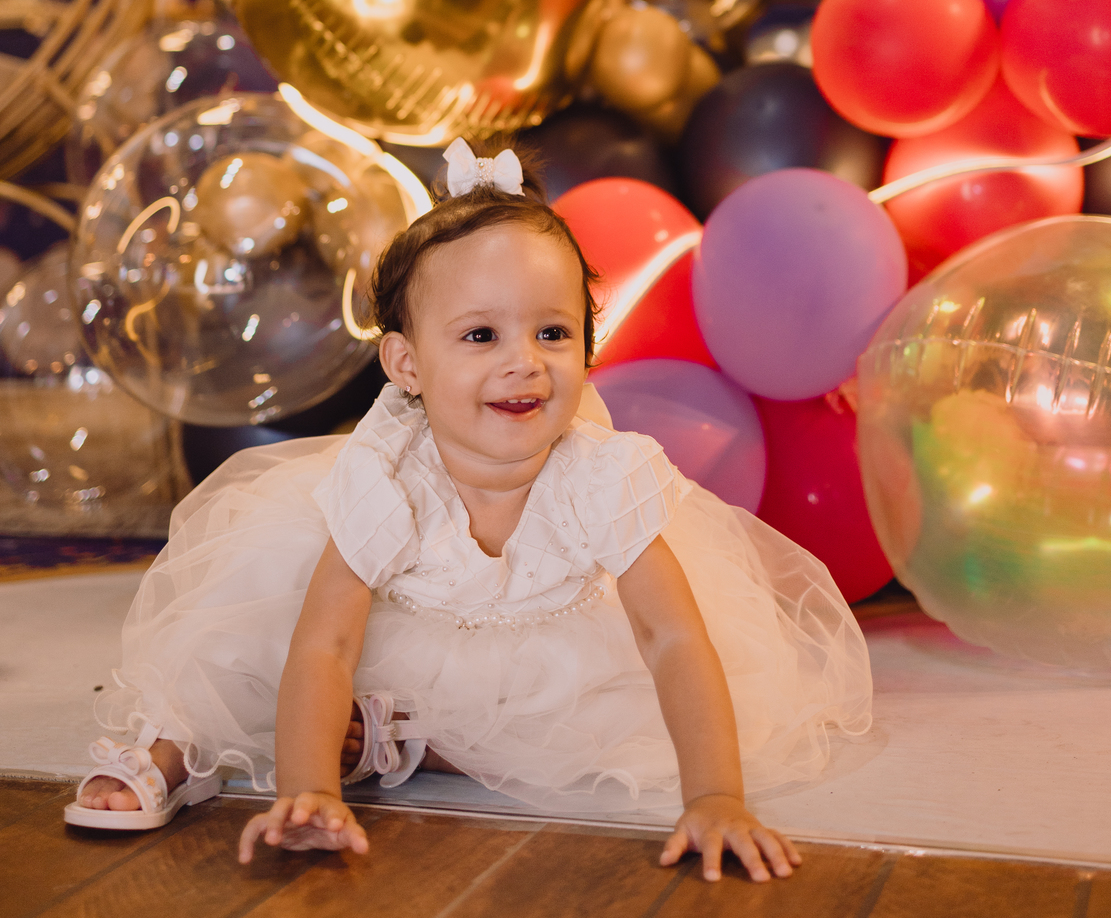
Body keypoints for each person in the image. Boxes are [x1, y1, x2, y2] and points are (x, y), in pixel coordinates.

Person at [66, 138, 872, 882]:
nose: (524, 362)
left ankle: (402, 739)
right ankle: (174, 749)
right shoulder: (386, 478)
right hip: (377, 629)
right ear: (407, 364)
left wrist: (714, 797)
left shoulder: (602, 476)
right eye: (481, 336)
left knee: (587, 722)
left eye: (553, 332)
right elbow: (327, 643)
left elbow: (672, 638)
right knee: (248, 650)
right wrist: (310, 791)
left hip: (540, 643)